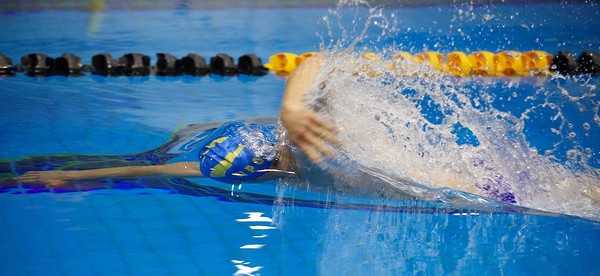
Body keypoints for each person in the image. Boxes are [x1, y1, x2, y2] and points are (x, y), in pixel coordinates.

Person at [15, 54, 340, 187]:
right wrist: (67, 176)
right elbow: (149, 170)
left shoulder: (304, 143)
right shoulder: (280, 159)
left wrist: (291, 108)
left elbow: (318, 59)